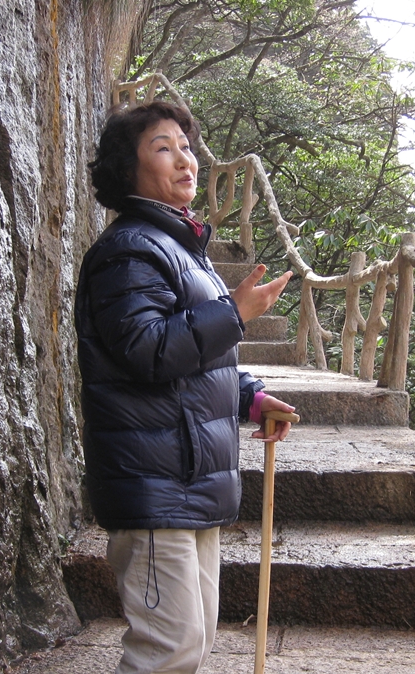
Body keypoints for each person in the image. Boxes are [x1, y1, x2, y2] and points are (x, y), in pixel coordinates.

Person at [75, 100, 295, 673]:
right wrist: (235, 313)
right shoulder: (128, 250)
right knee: (167, 649)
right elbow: (147, 350)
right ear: (128, 169)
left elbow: (198, 361)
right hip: (154, 483)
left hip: (188, 478)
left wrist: (249, 397)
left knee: (189, 644)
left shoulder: (178, 248)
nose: (184, 160)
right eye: (162, 148)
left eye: (186, 146)